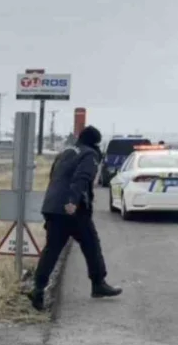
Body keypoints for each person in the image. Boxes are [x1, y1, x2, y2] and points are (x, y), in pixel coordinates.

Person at [27, 125, 122, 311]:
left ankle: (38, 289)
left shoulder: (65, 152)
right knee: (91, 244)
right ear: (95, 142)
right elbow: (82, 178)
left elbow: (54, 177)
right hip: (73, 209)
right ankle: (98, 284)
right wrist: (72, 201)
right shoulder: (89, 154)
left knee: (52, 249)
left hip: (52, 206)